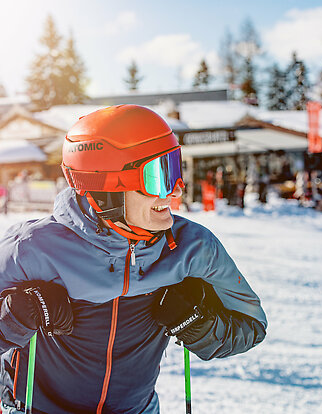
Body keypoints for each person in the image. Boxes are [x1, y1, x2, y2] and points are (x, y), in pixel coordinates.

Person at [0, 105, 267, 414]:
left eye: (175, 169)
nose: (177, 189)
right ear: (104, 186)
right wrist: (15, 316)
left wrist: (200, 325)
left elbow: (252, 326)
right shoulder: (31, 249)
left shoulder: (193, 248)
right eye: (159, 175)